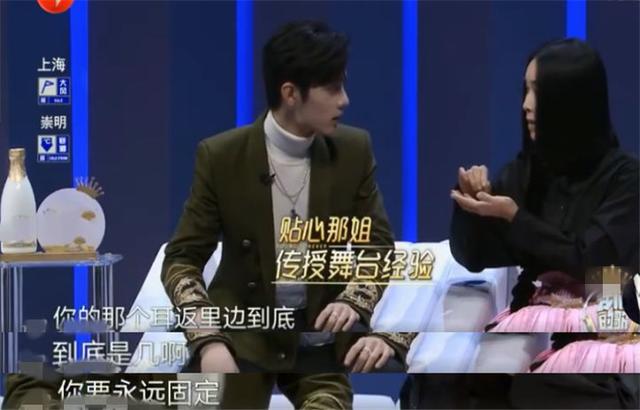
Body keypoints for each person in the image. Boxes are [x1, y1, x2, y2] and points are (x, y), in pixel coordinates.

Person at [161, 20, 413, 409]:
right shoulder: (222, 156)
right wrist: (208, 340)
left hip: (317, 340)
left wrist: (353, 301)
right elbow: (181, 260)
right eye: (332, 88)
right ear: (290, 93)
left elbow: (376, 247)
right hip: (241, 335)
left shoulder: (353, 150)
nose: (344, 100)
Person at [401, 39, 639, 409]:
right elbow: (475, 257)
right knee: (437, 384)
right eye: (525, 90)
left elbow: (594, 262)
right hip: (528, 339)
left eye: (538, 92)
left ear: (573, 100)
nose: (526, 105)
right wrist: (472, 207)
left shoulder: (626, 178)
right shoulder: (525, 172)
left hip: (603, 338)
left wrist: (515, 217)